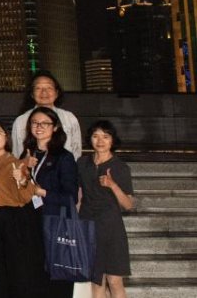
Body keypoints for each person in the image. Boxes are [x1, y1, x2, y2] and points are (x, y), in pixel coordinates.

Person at [0, 121, 48, 298]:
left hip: (11, 219)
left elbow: (25, 197)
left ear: (6, 137)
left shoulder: (16, 163)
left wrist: (22, 180)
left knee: (15, 270)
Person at [24, 107, 79, 298]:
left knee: (57, 281)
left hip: (56, 225)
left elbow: (71, 197)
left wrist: (42, 192)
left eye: (44, 123)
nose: (38, 127)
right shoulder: (27, 156)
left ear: (55, 127)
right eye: (34, 123)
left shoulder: (64, 157)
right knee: (34, 279)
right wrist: (23, 167)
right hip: (31, 225)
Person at [78, 121, 136, 298]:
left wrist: (112, 185)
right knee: (96, 281)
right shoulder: (82, 162)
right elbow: (79, 195)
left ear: (112, 140)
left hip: (111, 227)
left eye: (105, 136)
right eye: (96, 136)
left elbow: (129, 205)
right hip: (87, 225)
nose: (100, 141)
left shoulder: (120, 167)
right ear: (90, 139)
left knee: (114, 281)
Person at [12, 72, 83, 158]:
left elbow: (77, 150)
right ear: (32, 94)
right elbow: (17, 152)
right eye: (38, 88)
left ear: (56, 93)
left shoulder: (69, 118)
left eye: (49, 88)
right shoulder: (21, 121)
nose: (44, 92)